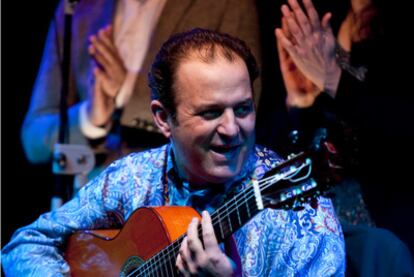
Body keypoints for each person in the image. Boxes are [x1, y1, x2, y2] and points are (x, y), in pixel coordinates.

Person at [2, 28, 345, 276]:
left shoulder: (307, 215)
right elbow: (24, 244)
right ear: (164, 119)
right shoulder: (132, 176)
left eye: (242, 109)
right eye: (211, 113)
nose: (231, 128)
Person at [21, 0, 262, 185]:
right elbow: (33, 140)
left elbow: (240, 125)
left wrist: (125, 96)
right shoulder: (77, 7)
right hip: (91, 218)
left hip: (177, 212)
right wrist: (90, 117)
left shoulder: (228, 5)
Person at [263, 0, 414, 275]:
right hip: (311, 230)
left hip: (378, 242)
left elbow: (401, 127)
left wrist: (333, 80)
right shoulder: (326, 19)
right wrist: (298, 103)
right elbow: (274, 160)